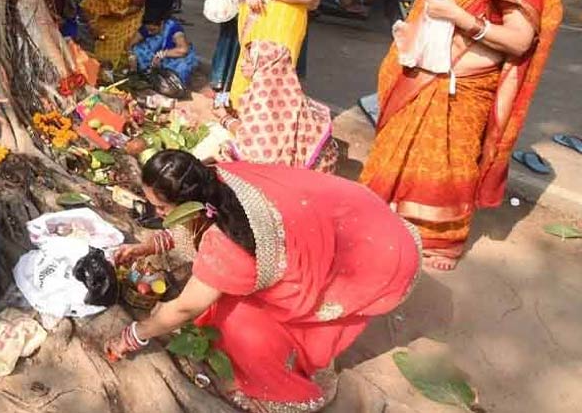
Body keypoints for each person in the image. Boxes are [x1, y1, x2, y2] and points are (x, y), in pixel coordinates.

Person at [105, 151, 420, 412]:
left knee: (236, 322)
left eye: (161, 208)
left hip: (371, 252)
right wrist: (147, 246)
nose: (157, 214)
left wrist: (134, 334)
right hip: (345, 216)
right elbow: (189, 224)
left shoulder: (228, 243)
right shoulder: (210, 179)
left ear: (188, 201)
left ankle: (285, 381)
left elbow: (185, 308)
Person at [360, 0, 561, 271]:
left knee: (447, 162)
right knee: (400, 150)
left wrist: (462, 19)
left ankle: (440, 240)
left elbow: (519, 40)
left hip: (464, 88)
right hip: (425, 77)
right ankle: (392, 216)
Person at [220, 40, 338, 172]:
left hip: (292, 174)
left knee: (224, 150)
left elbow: (253, 147)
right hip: (316, 166)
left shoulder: (263, 96)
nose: (242, 65)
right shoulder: (288, 89)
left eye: (248, 62)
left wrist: (224, 119)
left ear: (265, 65)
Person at [80, 0, 146, 69]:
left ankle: (122, 72)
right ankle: (104, 70)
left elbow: (138, 5)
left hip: (128, 19)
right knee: (103, 44)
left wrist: (125, 13)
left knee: (124, 46)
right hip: (106, 19)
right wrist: (91, 24)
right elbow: (87, 4)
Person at [129, 10, 198, 86]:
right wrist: (131, 55)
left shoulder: (174, 29)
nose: (149, 33)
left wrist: (164, 54)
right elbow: (131, 44)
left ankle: (167, 81)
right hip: (154, 56)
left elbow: (183, 50)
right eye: (148, 30)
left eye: (152, 30)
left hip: (172, 57)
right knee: (137, 50)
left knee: (182, 66)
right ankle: (147, 74)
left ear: (161, 24)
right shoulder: (148, 27)